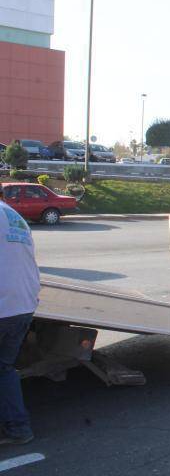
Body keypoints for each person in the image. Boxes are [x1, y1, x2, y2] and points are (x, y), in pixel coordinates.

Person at [0, 186, 39, 445]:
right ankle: (18, 428)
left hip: (3, 305)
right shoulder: (14, 215)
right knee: (3, 369)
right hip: (23, 304)